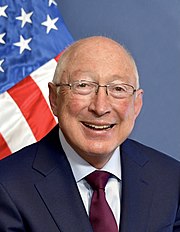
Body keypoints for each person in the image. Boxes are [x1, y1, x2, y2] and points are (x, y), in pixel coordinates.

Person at [0, 36, 180, 232]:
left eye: (118, 89)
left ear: (136, 104)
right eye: (83, 86)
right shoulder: (7, 186)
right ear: (54, 98)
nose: (100, 107)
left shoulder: (172, 180)